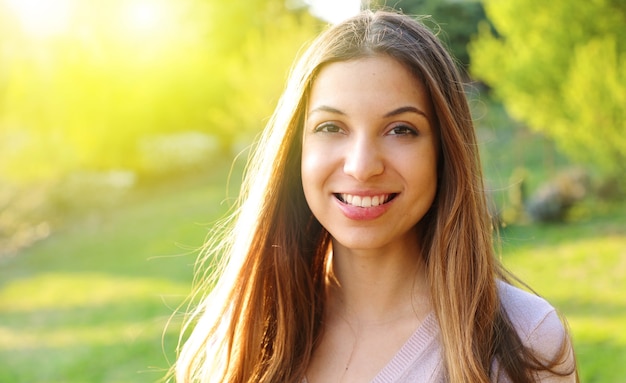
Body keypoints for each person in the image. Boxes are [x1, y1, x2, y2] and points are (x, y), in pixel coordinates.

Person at [172, 9, 578, 383]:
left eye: (401, 129)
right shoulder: (245, 334)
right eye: (331, 127)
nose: (362, 166)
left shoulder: (524, 340)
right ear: (296, 151)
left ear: (443, 152)